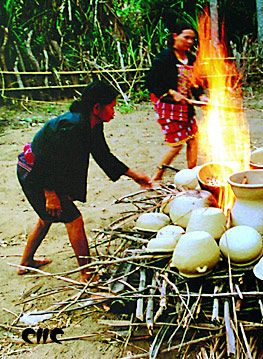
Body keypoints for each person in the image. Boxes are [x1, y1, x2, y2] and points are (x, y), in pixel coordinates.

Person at [16, 80, 152, 282]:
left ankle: (26, 263)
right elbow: (46, 159)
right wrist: (50, 193)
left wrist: (136, 176)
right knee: (74, 219)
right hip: (34, 172)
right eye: (112, 107)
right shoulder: (71, 126)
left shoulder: (92, 124)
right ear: (97, 107)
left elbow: (103, 155)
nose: (115, 112)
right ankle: (86, 274)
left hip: (43, 171)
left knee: (48, 216)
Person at [145, 22, 208, 182]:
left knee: (193, 139)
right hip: (169, 108)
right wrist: (171, 93)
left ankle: (192, 174)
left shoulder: (192, 59)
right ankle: (156, 177)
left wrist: (201, 96)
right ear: (175, 36)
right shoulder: (164, 59)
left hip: (186, 108)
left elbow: (197, 83)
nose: (189, 42)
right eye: (186, 37)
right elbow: (152, 83)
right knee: (176, 145)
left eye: (192, 39)